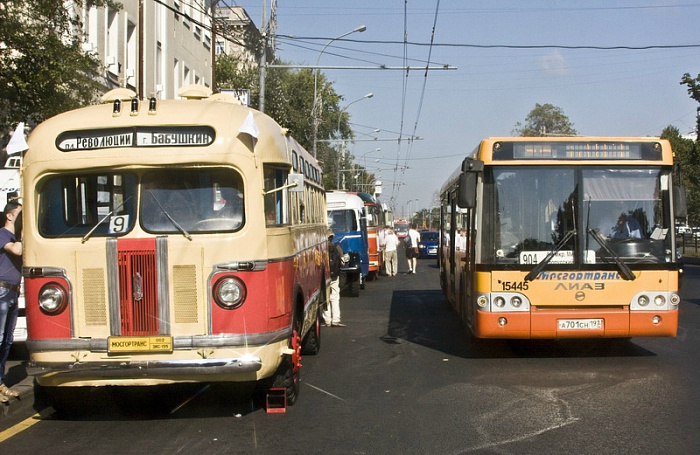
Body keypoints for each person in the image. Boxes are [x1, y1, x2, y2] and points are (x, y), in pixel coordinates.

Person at [0, 200, 22, 402]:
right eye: (20, 214)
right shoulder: (3, 234)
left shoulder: (14, 237)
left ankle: (1, 382)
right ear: (9, 215)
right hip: (2, 291)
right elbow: (16, 251)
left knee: (7, 340)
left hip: (13, 292)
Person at [323, 229, 346, 327]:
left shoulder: (321, 249)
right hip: (334, 276)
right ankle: (335, 319)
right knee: (335, 297)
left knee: (325, 298)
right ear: (331, 237)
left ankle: (327, 320)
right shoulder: (337, 247)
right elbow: (343, 261)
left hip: (324, 277)